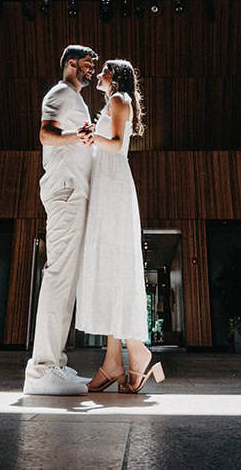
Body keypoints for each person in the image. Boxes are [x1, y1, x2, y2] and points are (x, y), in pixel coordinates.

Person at [74, 58, 165, 394]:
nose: (98, 75)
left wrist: (90, 137)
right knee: (112, 270)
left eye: (104, 71)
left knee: (114, 267)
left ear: (115, 76)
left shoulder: (118, 99)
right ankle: (114, 360)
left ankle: (136, 353)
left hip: (113, 187)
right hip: (107, 186)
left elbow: (115, 144)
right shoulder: (115, 101)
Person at [22, 44, 98, 396]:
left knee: (66, 281)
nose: (92, 70)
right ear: (70, 62)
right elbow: (45, 133)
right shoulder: (61, 93)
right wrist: (76, 137)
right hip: (65, 191)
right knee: (58, 277)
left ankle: (56, 364)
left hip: (74, 192)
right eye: (87, 64)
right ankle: (41, 370)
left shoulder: (75, 98)